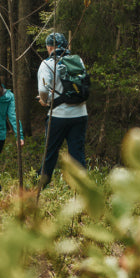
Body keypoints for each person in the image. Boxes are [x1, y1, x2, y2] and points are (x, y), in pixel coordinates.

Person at [36, 32, 88, 188]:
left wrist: (44, 101)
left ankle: (40, 187)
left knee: (50, 153)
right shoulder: (77, 60)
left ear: (50, 47)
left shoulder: (47, 64)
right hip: (80, 114)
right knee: (77, 154)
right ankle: (82, 189)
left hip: (58, 116)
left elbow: (43, 89)